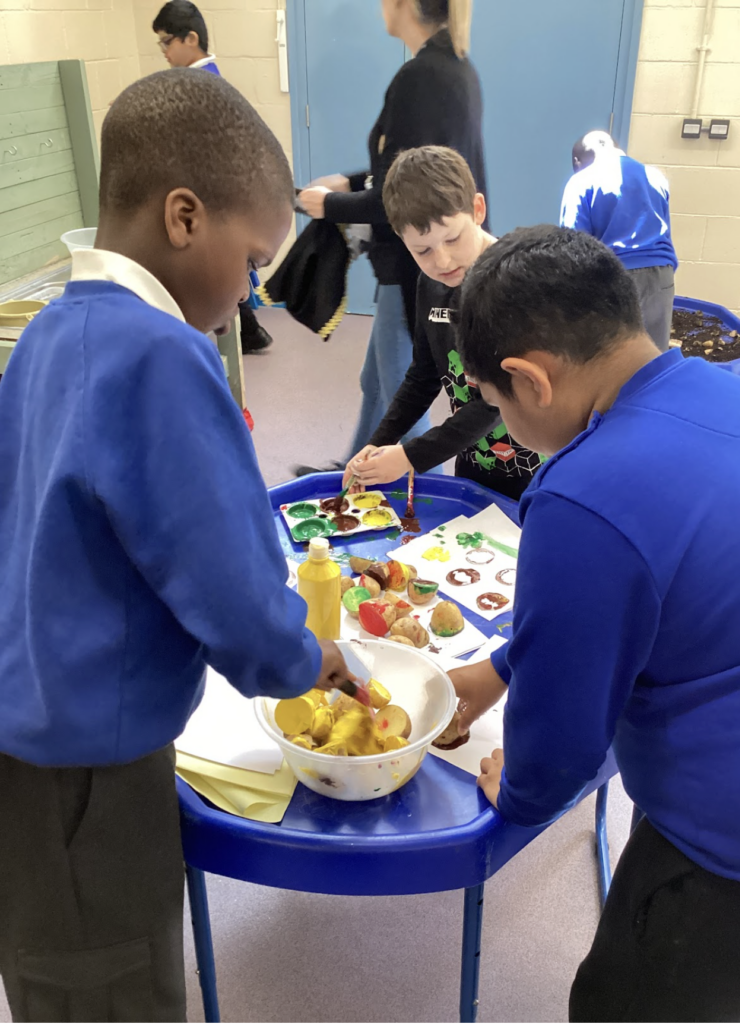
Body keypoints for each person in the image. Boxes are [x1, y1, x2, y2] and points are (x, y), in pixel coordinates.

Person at [0, 70, 354, 1024]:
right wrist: (305, 655)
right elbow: (231, 586)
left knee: (52, 971)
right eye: (253, 265)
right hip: (87, 773)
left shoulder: (42, 339)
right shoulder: (164, 355)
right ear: (185, 217)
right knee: (106, 991)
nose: (249, 292)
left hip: (28, 731)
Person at [449, 225, 740, 1022]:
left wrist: (515, 790)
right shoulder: (728, 389)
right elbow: (649, 591)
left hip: (729, 841)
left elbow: (558, 746)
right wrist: (494, 672)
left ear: (529, 380)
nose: (496, 425)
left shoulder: (580, 495)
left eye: (491, 404)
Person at [296, 0, 487, 476]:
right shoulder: (454, 67)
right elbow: (409, 172)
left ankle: (416, 496)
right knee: (379, 381)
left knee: (409, 395)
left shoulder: (423, 75)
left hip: (412, 264)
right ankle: (355, 471)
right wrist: (351, 179)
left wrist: (330, 206)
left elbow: (405, 199)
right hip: (411, 263)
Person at [343, 146, 541, 500]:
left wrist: (410, 456)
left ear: (477, 210)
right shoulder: (431, 284)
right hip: (474, 460)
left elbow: (496, 400)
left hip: (537, 470)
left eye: (452, 238)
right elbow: (423, 375)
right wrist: (378, 441)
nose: (443, 260)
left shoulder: (514, 286)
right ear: (402, 239)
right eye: (423, 250)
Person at [153, 0, 274, 353]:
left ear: (191, 39)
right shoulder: (206, 81)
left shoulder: (200, 87)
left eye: (167, 42)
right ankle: (247, 332)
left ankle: (233, 338)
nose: (164, 52)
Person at [560, 129, 678, 352]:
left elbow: (573, 247)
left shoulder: (581, 181)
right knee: (655, 360)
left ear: (577, 161)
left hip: (613, 278)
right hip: (662, 274)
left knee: (609, 361)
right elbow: (666, 233)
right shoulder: (655, 176)